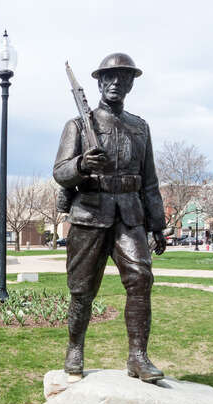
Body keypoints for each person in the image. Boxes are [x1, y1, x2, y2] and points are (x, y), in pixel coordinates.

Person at [53, 52, 167, 383]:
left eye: (124, 78)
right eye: (110, 78)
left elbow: (150, 181)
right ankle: (75, 348)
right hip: (90, 212)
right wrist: (82, 165)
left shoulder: (140, 127)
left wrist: (157, 225)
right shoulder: (78, 124)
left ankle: (138, 357)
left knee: (141, 278)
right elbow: (60, 171)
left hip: (129, 215)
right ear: (100, 82)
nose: (117, 83)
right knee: (82, 289)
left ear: (131, 83)